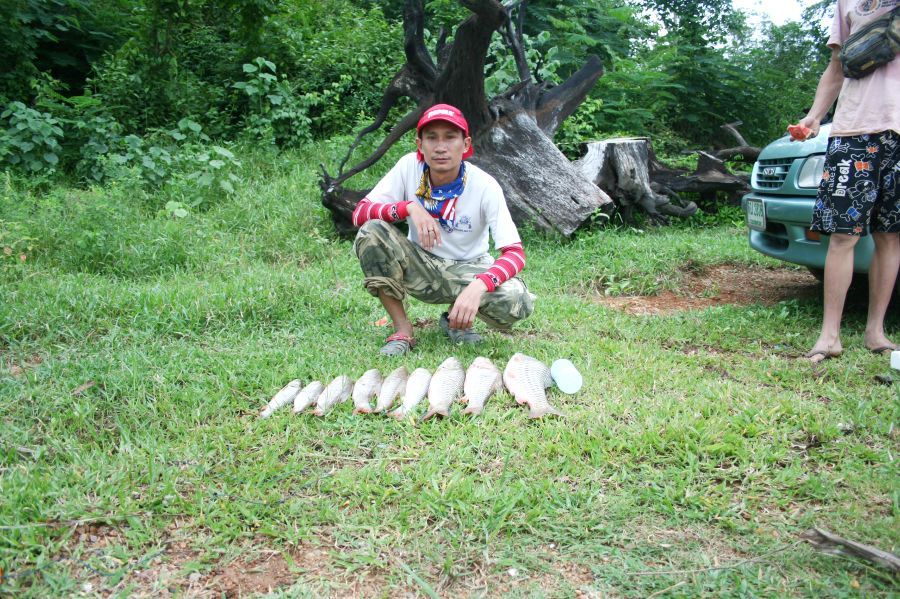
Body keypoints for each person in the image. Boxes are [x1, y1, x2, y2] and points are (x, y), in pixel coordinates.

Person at [352, 103, 535, 356]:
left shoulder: (485, 185)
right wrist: (408, 208)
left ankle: (456, 320)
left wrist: (479, 286)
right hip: (421, 266)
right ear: (420, 145)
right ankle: (403, 330)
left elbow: (515, 253)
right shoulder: (408, 168)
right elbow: (360, 213)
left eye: (450, 137)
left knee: (517, 300)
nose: (440, 147)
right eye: (432, 138)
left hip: (469, 269)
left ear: (466, 144)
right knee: (371, 232)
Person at [795, 0, 899, 363]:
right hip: (853, 129)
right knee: (842, 235)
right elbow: (836, 67)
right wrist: (813, 117)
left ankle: (876, 332)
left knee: (891, 234)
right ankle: (829, 336)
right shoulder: (847, 3)